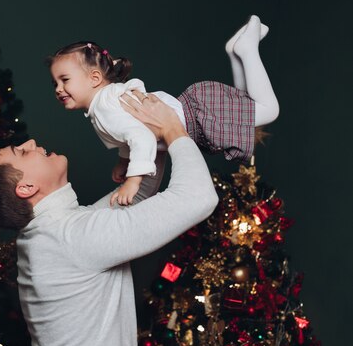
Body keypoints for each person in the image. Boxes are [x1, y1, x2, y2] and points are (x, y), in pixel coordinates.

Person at [0, 92, 218, 346]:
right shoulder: (74, 236)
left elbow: (138, 198)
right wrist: (174, 130)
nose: (32, 142)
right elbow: (200, 198)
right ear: (26, 187)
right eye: (22, 152)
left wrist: (143, 148)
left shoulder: (52, 233)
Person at [49, 14, 279, 206]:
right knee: (247, 103)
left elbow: (140, 136)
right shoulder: (105, 103)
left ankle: (247, 50)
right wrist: (123, 161)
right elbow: (133, 133)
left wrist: (133, 180)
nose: (58, 89)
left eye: (65, 79)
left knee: (269, 111)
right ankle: (235, 53)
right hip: (195, 111)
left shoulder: (104, 108)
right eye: (55, 83)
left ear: (95, 77)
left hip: (198, 117)